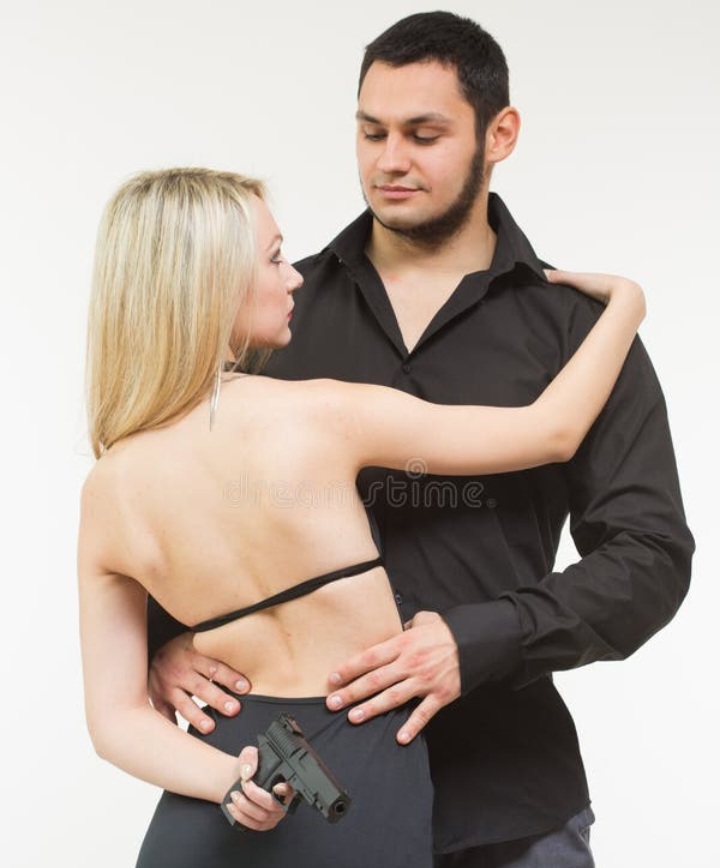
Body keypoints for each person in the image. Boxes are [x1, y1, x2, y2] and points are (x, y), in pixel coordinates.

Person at [147, 11, 695, 868]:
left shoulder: (579, 336)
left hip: (505, 808)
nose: (389, 160)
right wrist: (163, 645)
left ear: (499, 134)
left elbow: (650, 555)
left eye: (424, 134)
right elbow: (163, 501)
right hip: (283, 805)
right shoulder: (263, 313)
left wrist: (480, 640)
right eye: (371, 132)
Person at [80, 166, 644, 868]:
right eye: (275, 259)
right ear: (212, 283)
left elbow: (114, 720)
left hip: (216, 804)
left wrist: (227, 778)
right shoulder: (322, 416)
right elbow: (552, 430)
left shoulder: (107, 489)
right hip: (360, 788)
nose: (295, 278)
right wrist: (628, 303)